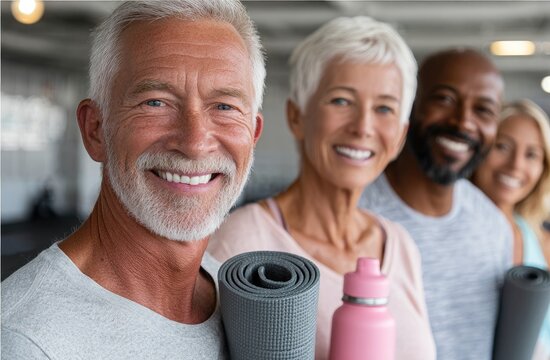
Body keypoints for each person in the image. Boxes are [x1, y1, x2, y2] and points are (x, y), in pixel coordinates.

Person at [1, 1, 265, 358]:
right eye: (156, 102)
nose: (194, 143)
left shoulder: (241, 301)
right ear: (95, 129)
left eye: (224, 107)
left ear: (253, 134)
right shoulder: (27, 340)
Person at [208, 16, 436, 360]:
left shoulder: (401, 245)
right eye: (342, 101)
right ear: (297, 116)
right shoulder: (240, 244)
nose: (363, 127)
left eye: (385, 108)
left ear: (401, 135)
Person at [358, 48, 513, 360]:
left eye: (483, 110)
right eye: (444, 99)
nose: (463, 122)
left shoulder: (493, 225)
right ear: (411, 105)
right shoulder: (355, 212)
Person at [471, 99, 550, 359]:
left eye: (531, 154)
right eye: (502, 147)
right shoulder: (459, 231)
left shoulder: (532, 234)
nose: (515, 165)